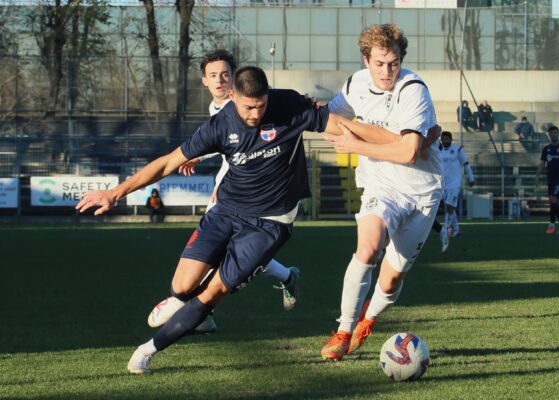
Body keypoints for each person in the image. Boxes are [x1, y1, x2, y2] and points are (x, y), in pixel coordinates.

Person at [76, 66, 398, 375]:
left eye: (261, 105)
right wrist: (115, 193)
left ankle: (147, 351)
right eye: (248, 107)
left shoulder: (290, 106)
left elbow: (345, 126)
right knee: (181, 286)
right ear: (232, 96)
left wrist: (397, 142)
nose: (255, 114)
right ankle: (195, 307)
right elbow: (168, 163)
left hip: (270, 224)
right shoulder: (220, 125)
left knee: (212, 292)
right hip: (225, 211)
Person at [320, 23, 442, 361]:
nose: (387, 71)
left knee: (389, 281)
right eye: (379, 63)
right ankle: (344, 331)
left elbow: (408, 153)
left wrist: (358, 141)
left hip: (421, 192)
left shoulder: (413, 88)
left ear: (401, 59)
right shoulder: (354, 85)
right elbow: (331, 117)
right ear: (365, 60)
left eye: (394, 62)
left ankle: (367, 320)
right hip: (380, 186)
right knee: (368, 248)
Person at [160, 50, 300, 339]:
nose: (220, 80)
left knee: (231, 256)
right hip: (229, 189)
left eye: (225, 74)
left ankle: (198, 310)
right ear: (204, 81)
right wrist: (200, 157)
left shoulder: (252, 102)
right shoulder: (217, 110)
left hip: (247, 194)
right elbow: (223, 141)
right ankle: (286, 276)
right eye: (213, 75)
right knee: (231, 255)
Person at [438, 131, 475, 237]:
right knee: (449, 207)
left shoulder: (457, 149)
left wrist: (471, 177)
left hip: (455, 184)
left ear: (451, 139)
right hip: (444, 184)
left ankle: (446, 229)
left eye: (447, 139)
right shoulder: (438, 150)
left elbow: (466, 163)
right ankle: (457, 229)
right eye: (443, 139)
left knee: (450, 206)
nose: (445, 141)